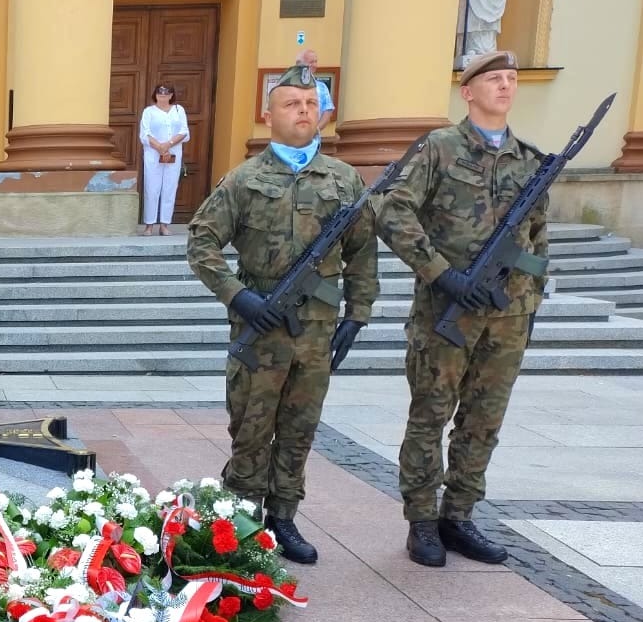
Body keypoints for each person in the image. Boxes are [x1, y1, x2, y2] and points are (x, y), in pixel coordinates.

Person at [186, 64, 377, 566]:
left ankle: (284, 516)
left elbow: (362, 252)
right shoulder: (246, 179)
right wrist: (237, 295)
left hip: (315, 330)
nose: (304, 112)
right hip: (260, 324)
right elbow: (202, 241)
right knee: (250, 425)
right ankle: (242, 516)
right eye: (293, 104)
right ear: (268, 114)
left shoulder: (344, 179)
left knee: (299, 426)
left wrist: (358, 313)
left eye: (312, 104)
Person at [377, 50, 543, 568]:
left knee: (483, 420)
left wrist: (528, 306)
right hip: (445, 311)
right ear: (468, 91)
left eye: (512, 79)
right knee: (430, 414)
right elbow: (390, 208)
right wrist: (441, 273)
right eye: (494, 78)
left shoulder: (532, 161)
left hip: (506, 315)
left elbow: (537, 243)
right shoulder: (439, 149)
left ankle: (460, 516)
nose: (505, 86)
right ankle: (422, 521)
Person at [138, 83, 188, 236]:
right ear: (156, 95)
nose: (163, 97)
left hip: (172, 153)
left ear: (171, 95)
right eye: (160, 94)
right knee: (152, 189)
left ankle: (165, 224)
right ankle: (149, 225)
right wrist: (159, 147)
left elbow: (184, 131)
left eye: (166, 94)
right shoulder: (149, 112)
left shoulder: (179, 110)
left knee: (169, 188)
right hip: (153, 154)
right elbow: (144, 133)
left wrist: (168, 144)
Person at [295, 49, 335, 132]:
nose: (314, 65)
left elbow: (327, 111)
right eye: (311, 62)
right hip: (292, 138)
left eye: (315, 62)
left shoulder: (322, 87)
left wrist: (316, 130)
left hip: (313, 139)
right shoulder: (288, 85)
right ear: (299, 64)